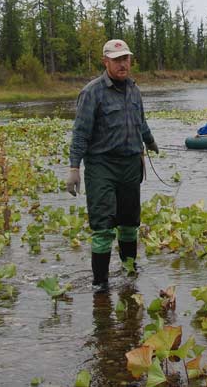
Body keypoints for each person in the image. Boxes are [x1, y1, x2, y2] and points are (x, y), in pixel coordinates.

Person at [67, 39, 158, 293]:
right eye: (117, 59)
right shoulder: (91, 92)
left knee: (130, 223)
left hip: (131, 165)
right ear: (105, 61)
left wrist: (150, 141)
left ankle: (129, 275)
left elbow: (141, 121)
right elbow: (80, 134)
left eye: (126, 58)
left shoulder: (134, 90)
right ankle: (100, 286)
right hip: (101, 167)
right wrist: (74, 168)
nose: (123, 64)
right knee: (103, 226)